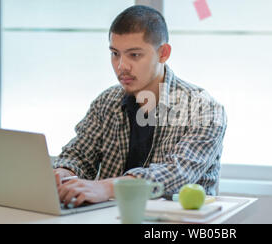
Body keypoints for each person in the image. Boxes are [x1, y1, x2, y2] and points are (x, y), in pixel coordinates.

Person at [53, 5, 227, 207]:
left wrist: (105, 187)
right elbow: (79, 156)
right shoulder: (106, 102)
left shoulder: (203, 108)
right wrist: (63, 174)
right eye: (115, 54)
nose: (121, 66)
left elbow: (178, 174)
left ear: (163, 53)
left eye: (134, 55)